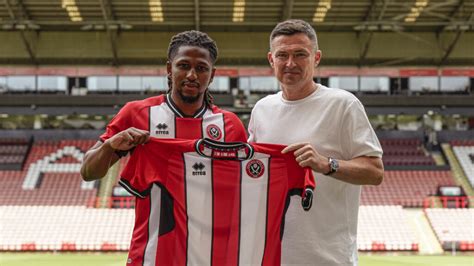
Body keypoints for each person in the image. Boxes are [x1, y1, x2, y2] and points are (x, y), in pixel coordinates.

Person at [80, 30, 248, 265]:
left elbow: (246, 193)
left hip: (213, 255)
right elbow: (89, 172)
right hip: (152, 254)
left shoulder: (230, 126)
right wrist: (110, 146)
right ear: (169, 69)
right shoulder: (137, 113)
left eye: (201, 68)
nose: (192, 75)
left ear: (212, 75)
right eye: (183, 66)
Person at [247, 19, 384, 265]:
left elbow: (375, 172)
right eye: (282, 55)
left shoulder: (344, 104)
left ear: (316, 58)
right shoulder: (262, 109)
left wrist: (326, 164)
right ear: (271, 59)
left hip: (329, 258)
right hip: (271, 256)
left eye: (300, 54)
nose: (290, 63)